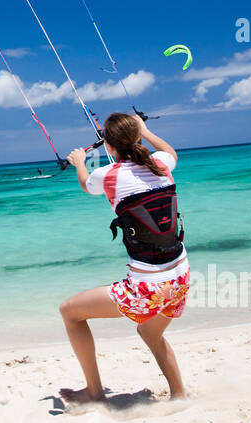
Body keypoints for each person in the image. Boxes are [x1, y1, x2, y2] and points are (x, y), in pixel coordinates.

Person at [60, 113, 190, 403]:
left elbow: (85, 183)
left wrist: (79, 162)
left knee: (69, 312)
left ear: (108, 145)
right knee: (149, 332)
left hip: (148, 288)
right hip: (181, 279)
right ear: (138, 138)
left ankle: (94, 391)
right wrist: (145, 129)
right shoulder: (160, 165)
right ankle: (179, 395)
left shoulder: (107, 176)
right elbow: (171, 152)